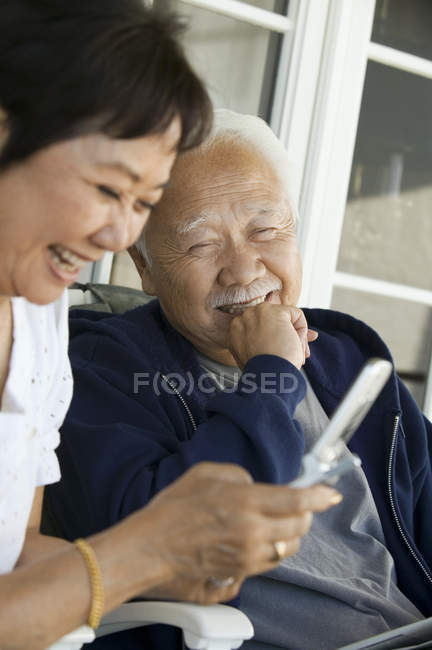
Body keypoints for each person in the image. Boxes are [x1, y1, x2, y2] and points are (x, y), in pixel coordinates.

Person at [0, 4, 340, 648]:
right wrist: (141, 552)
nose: (119, 233)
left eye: (143, 203)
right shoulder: (109, 360)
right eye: (107, 188)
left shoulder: (41, 323)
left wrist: (169, 559)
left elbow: (15, 558)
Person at [48, 109, 432, 650]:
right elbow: (163, 544)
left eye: (265, 230)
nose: (245, 269)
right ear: (145, 265)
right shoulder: (96, 375)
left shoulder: (344, 360)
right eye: (203, 245)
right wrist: (271, 375)